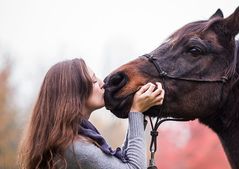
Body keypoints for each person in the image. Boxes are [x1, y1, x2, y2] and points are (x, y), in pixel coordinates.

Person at [18, 58, 165, 169]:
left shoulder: (66, 140)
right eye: (94, 81)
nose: (102, 83)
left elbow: (121, 163)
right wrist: (136, 112)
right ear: (74, 94)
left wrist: (138, 112)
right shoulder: (75, 149)